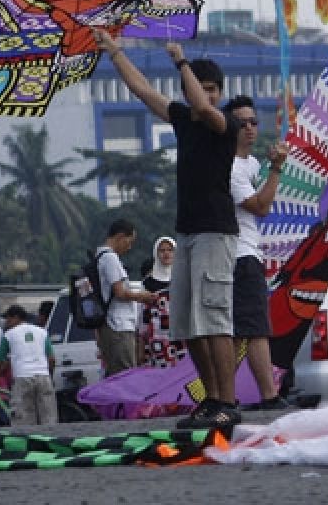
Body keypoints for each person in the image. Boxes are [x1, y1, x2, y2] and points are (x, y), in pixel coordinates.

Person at [94, 30, 243, 428]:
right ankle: (210, 400)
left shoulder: (222, 123)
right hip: (188, 231)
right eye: (202, 88)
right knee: (188, 325)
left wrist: (181, 62)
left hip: (216, 231)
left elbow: (205, 109)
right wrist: (116, 54)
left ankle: (228, 401)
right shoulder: (183, 119)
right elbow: (143, 91)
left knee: (214, 321)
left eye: (213, 89)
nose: (207, 95)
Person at [224, 95, 291, 409]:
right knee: (255, 329)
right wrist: (276, 169)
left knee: (239, 332)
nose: (250, 128)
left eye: (253, 122)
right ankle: (268, 395)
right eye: (242, 122)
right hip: (241, 256)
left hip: (245, 254)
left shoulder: (250, 164)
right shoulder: (233, 168)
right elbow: (261, 206)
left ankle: (221, 396)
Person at [94, 220, 158, 377]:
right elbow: (120, 292)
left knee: (115, 374)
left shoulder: (100, 256)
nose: (129, 247)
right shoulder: (110, 258)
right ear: (121, 237)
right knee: (126, 374)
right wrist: (142, 297)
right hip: (118, 326)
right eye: (129, 242)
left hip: (111, 326)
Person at [0, 305, 57, 426]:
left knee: (23, 422)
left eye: (8, 319)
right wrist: (50, 376)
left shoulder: (8, 335)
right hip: (44, 377)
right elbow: (52, 359)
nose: (6, 323)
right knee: (49, 419)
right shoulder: (42, 332)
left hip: (22, 379)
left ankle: (28, 444)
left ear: (16, 317)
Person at [141, 237, 186, 368]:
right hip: (157, 341)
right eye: (162, 250)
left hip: (182, 336)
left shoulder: (183, 278)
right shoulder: (147, 283)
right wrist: (141, 344)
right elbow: (143, 317)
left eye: (170, 250)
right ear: (156, 253)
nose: (166, 253)